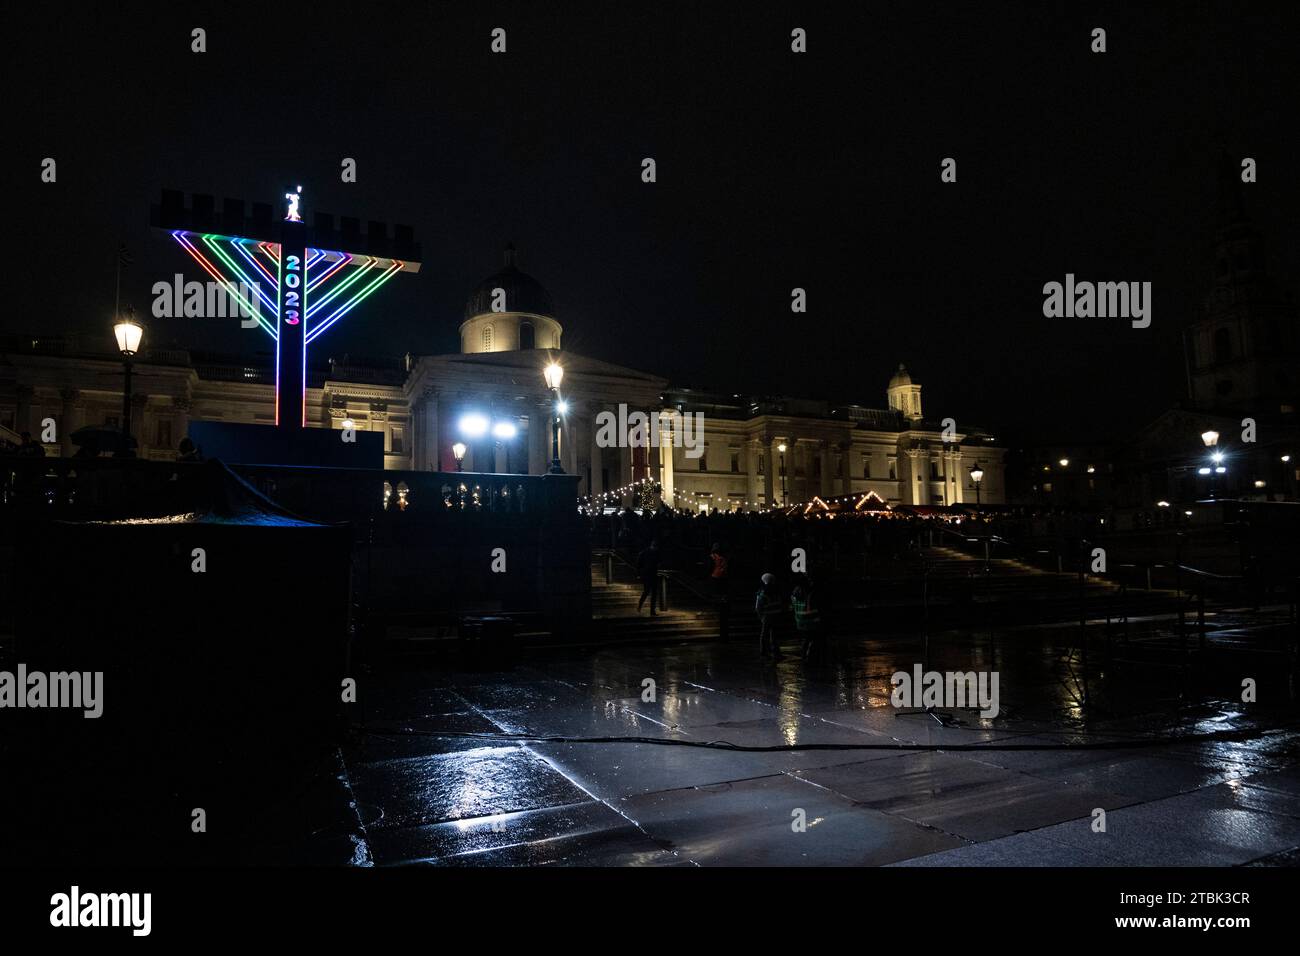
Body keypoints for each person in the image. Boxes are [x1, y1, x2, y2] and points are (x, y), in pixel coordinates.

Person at [790, 573, 824, 661]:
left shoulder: (795, 593)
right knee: (813, 639)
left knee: (806, 639)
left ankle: (804, 656)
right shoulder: (811, 593)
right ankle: (810, 657)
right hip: (812, 621)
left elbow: (793, 605)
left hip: (800, 620)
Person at [755, 572, 783, 659]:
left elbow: (758, 607)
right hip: (775, 615)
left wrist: (761, 617)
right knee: (773, 635)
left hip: (767, 616)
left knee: (764, 635)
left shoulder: (762, 592)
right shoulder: (777, 591)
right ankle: (775, 652)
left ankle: (764, 653)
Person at [637, 539, 661, 616]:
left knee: (652, 592)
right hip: (648, 574)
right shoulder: (646, 552)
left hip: (651, 574)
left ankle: (651, 611)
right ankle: (642, 606)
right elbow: (639, 563)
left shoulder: (647, 552)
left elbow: (639, 563)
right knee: (647, 591)